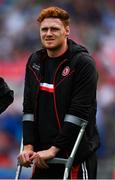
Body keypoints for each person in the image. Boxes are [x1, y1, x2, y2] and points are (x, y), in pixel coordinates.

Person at [17, 6, 100, 179]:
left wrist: (54, 150)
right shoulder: (34, 62)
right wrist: (28, 146)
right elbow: (28, 108)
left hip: (74, 156)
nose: (48, 33)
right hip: (42, 156)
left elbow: (78, 113)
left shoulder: (82, 63)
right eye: (44, 29)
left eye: (54, 29)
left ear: (67, 31)